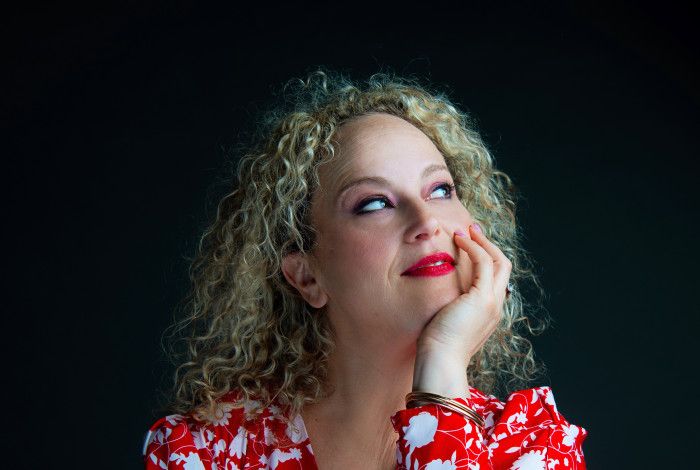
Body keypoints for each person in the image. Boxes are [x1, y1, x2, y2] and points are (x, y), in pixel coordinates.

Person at [143, 70, 588, 469]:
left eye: (440, 189)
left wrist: (443, 362)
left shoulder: (532, 447)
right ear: (306, 276)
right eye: (375, 203)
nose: (427, 221)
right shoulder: (206, 452)